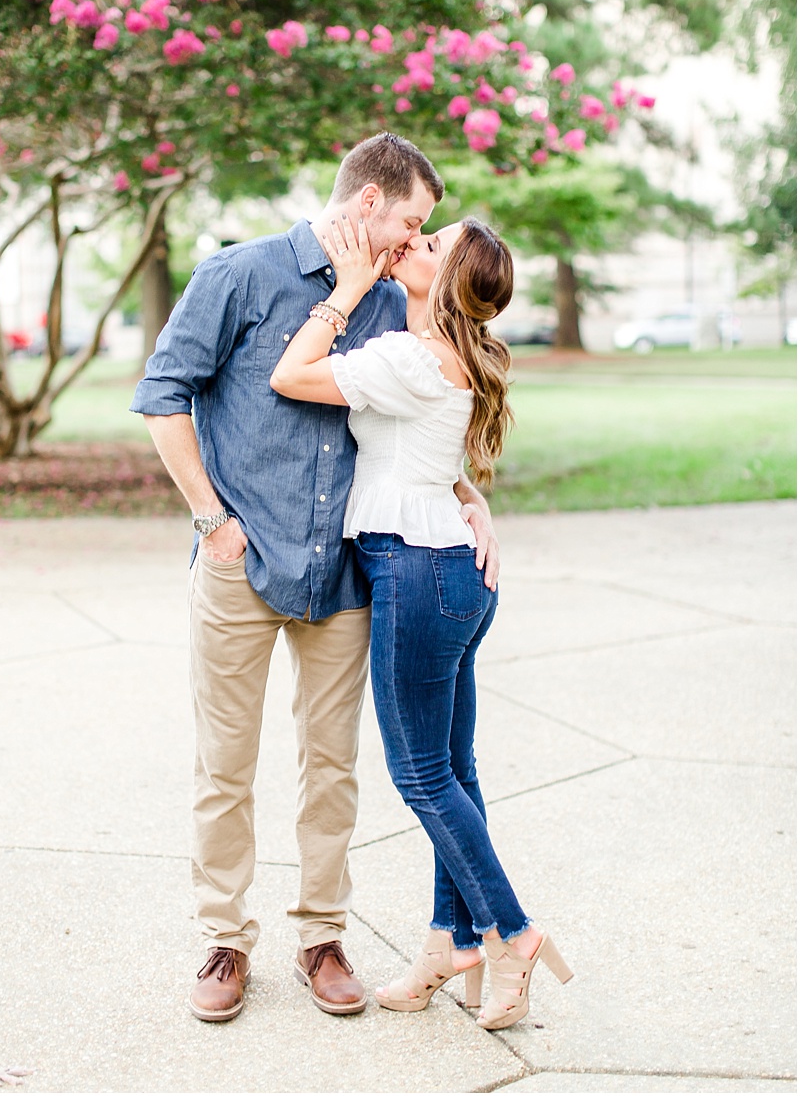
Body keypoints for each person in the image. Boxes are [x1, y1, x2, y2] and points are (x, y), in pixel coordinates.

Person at [132, 132, 500, 1024]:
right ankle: (224, 939)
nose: (419, 238)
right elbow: (161, 396)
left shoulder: (400, 298)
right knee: (225, 763)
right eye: (412, 219)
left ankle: (321, 936)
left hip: (346, 573)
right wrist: (212, 520)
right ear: (368, 203)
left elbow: (419, 408)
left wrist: (465, 491)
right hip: (241, 562)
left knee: (331, 766)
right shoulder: (238, 274)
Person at [270, 215, 572, 1030]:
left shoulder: (407, 357)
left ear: (443, 282)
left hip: (415, 571)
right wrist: (475, 500)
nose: (415, 242)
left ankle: (515, 933)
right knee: (455, 772)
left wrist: (347, 290)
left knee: (423, 777)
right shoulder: (440, 355)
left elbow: (291, 376)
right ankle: (450, 941)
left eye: (431, 244)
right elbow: (438, 465)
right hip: (452, 573)